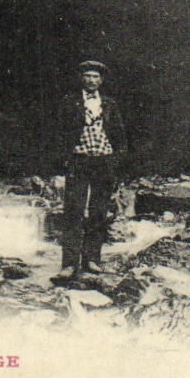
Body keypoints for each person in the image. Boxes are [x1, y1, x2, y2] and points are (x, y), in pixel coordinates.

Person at [54, 60, 129, 284]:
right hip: (78, 160)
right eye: (87, 76)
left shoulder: (109, 104)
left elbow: (119, 136)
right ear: (81, 79)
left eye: (96, 77)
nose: (91, 80)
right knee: (73, 211)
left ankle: (92, 260)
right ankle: (69, 264)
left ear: (101, 81)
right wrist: (59, 167)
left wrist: (117, 162)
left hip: (104, 161)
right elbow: (60, 135)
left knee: (98, 211)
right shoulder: (69, 103)